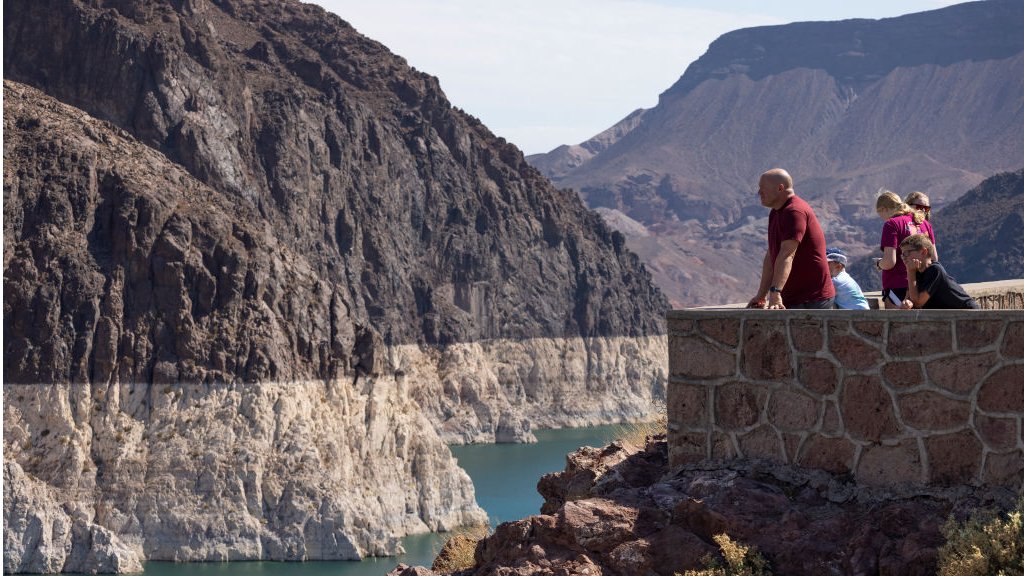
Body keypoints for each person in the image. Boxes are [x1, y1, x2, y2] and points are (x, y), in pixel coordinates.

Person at [746, 168, 835, 309]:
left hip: (810, 300)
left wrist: (775, 292)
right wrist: (761, 296)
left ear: (780, 188)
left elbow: (787, 254)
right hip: (794, 298)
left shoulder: (794, 212)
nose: (759, 193)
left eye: (763, 188)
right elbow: (772, 256)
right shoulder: (776, 213)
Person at [875, 190, 936, 308]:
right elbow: (933, 258)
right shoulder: (924, 224)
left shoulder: (892, 224)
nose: (882, 218)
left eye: (880, 214)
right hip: (923, 286)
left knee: (897, 325)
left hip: (898, 285)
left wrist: (879, 264)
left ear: (884, 209)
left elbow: (889, 262)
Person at [899, 234, 979, 309]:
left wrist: (910, 271)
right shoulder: (916, 271)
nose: (904, 258)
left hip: (966, 312)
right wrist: (907, 302)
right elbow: (910, 298)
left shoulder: (935, 270)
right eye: (902, 255)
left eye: (906, 253)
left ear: (923, 252)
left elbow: (918, 302)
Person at [905, 191, 938, 260]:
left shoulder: (927, 226)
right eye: (919, 207)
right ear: (908, 205)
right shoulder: (901, 224)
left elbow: (933, 256)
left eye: (926, 208)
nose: (923, 210)